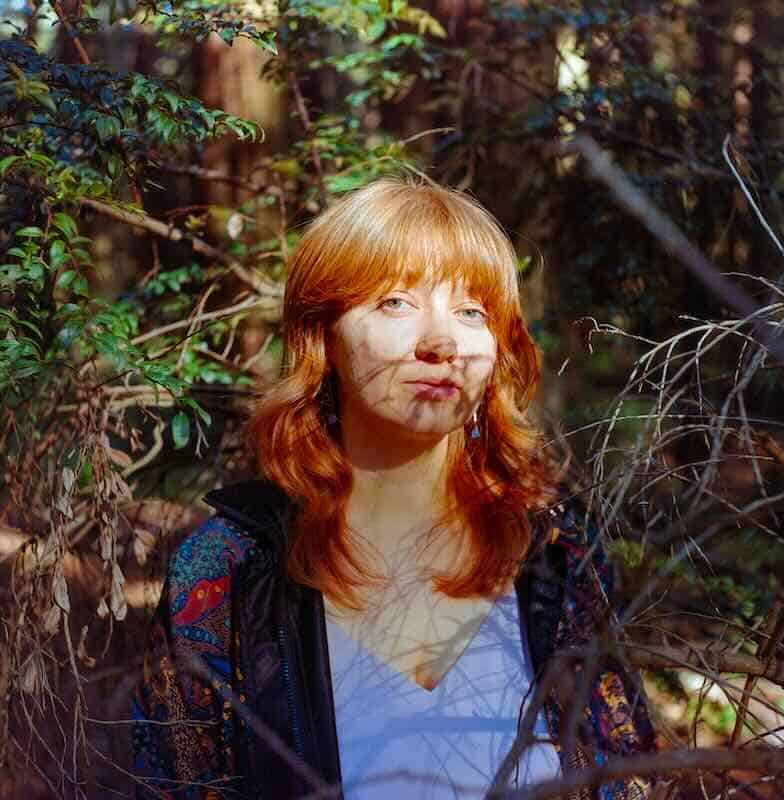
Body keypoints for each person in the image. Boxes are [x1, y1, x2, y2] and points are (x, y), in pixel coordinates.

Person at [131, 176, 656, 799]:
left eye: (471, 312)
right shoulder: (230, 573)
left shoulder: (556, 556)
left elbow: (628, 776)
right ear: (322, 336)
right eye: (395, 303)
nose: (441, 343)